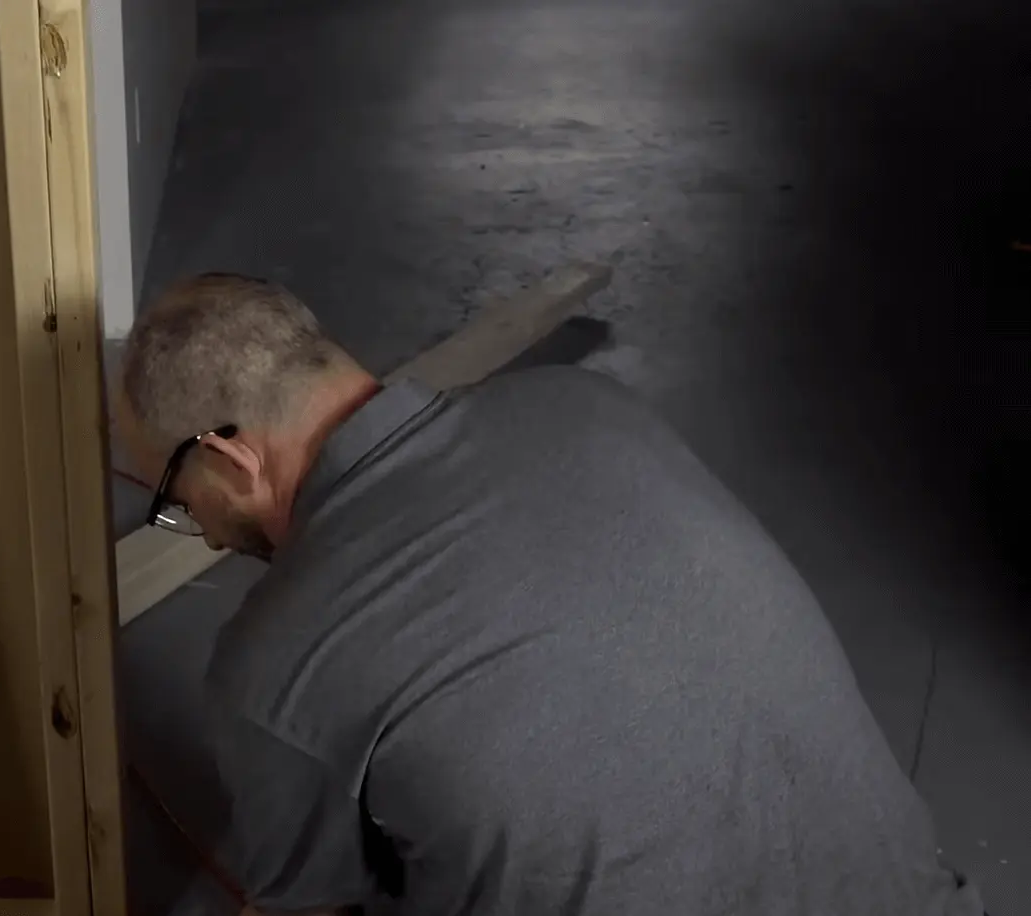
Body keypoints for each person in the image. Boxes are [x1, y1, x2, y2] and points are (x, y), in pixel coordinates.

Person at [115, 273, 985, 916]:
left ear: (232, 460)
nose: (193, 523)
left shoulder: (271, 669)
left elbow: (315, 905)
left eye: (173, 497)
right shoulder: (580, 400)